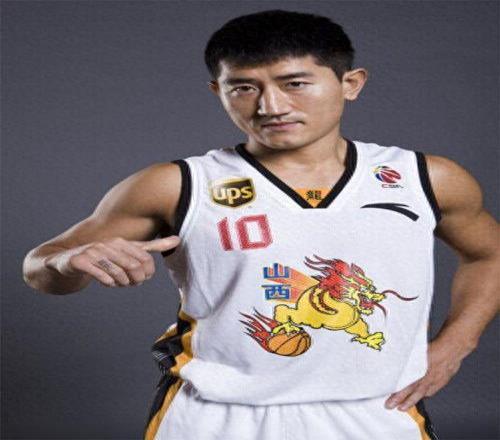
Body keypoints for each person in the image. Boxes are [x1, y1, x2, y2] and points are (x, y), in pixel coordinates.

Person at [22, 9, 499, 440]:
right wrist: (69, 262)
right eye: (244, 88)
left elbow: (490, 254)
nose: (270, 105)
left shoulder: (424, 178)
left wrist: (457, 343)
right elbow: (41, 269)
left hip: (377, 410)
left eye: (295, 83)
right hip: (214, 414)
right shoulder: (176, 184)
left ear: (350, 83)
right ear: (219, 92)